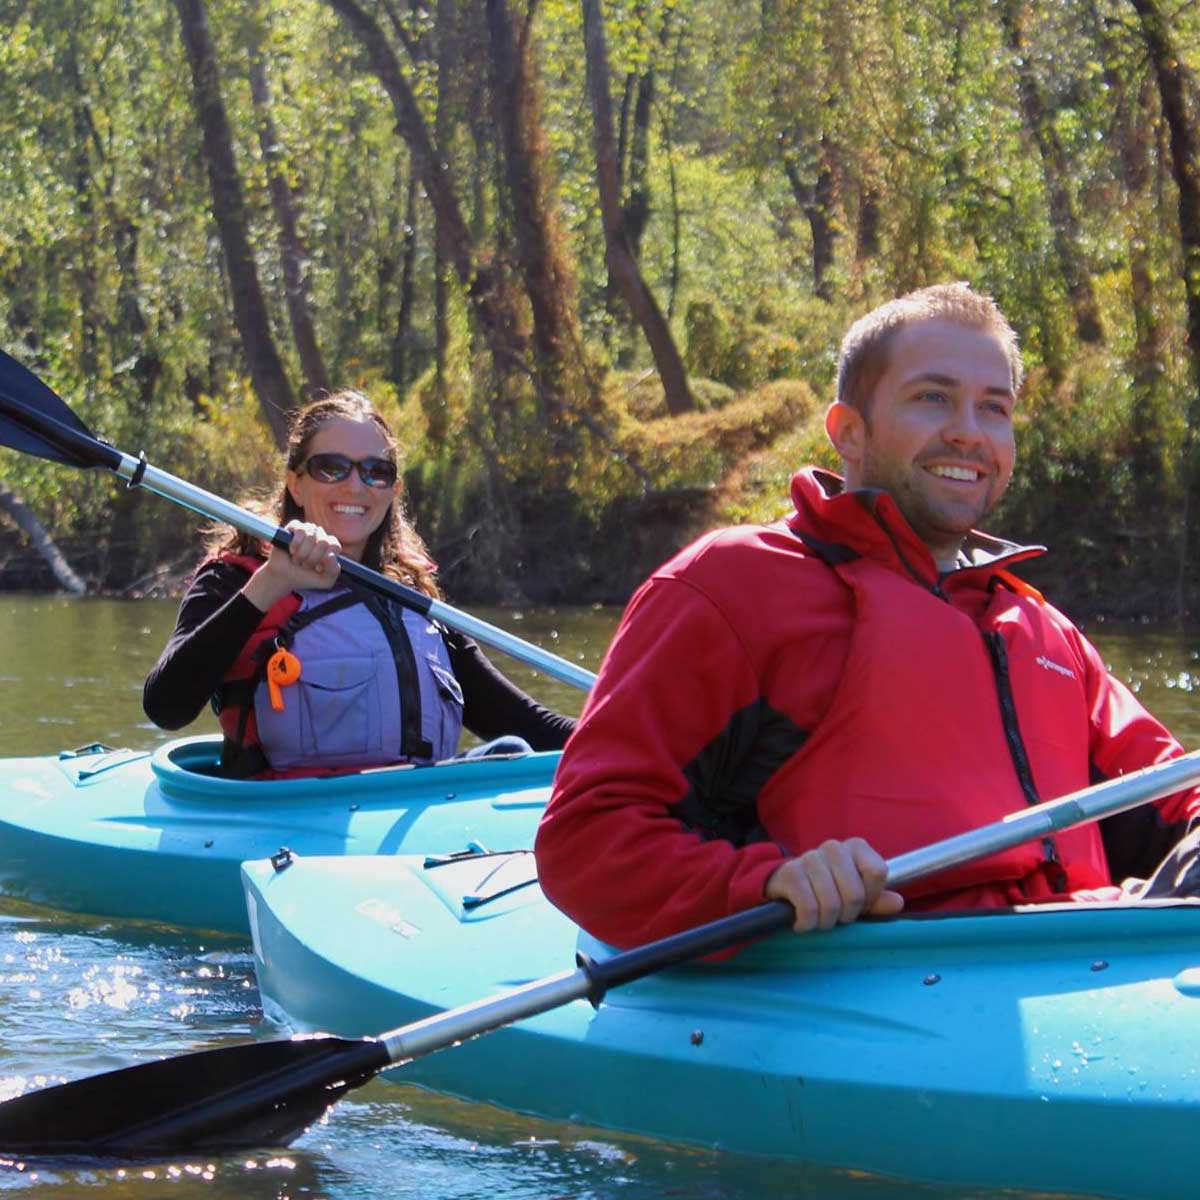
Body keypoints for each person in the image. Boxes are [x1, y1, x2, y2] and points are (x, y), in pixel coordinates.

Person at [534, 282, 1200, 950]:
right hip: (876, 969)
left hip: (1081, 959)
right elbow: (585, 838)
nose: (968, 431)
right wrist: (766, 882)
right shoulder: (734, 586)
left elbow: (1175, 798)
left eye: (993, 409)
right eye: (932, 398)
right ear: (848, 432)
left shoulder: (1041, 628)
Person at [144, 390, 575, 777]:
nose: (355, 485)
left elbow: (518, 718)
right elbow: (166, 706)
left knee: (513, 751)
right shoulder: (237, 578)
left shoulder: (410, 594)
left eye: (376, 472)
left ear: (393, 490)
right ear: (295, 482)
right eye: (331, 468)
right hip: (289, 816)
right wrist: (271, 582)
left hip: (410, 807)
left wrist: (619, 739)